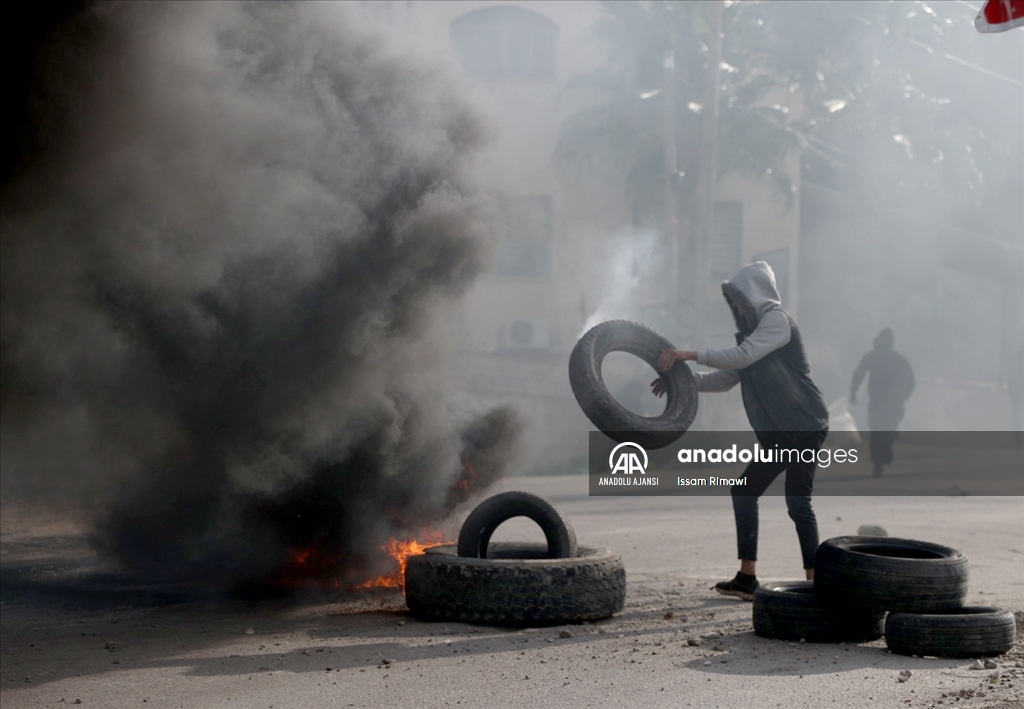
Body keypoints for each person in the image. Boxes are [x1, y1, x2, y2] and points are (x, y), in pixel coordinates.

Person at [651, 261, 829, 600]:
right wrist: (680, 382)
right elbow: (725, 378)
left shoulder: (777, 321)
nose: (735, 306)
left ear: (755, 295)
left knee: (798, 503)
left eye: (739, 299)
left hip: (804, 425)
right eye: (732, 301)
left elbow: (742, 357)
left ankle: (814, 584)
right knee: (744, 492)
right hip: (779, 434)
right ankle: (747, 578)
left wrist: (688, 354)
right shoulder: (752, 338)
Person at [849, 328, 915, 476]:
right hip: (885, 402)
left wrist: (853, 391)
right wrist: (905, 394)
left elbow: (859, 373)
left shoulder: (874, 357)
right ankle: (879, 461)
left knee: (880, 431)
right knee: (881, 431)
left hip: (887, 402)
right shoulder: (896, 359)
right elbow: (911, 380)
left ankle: (879, 461)